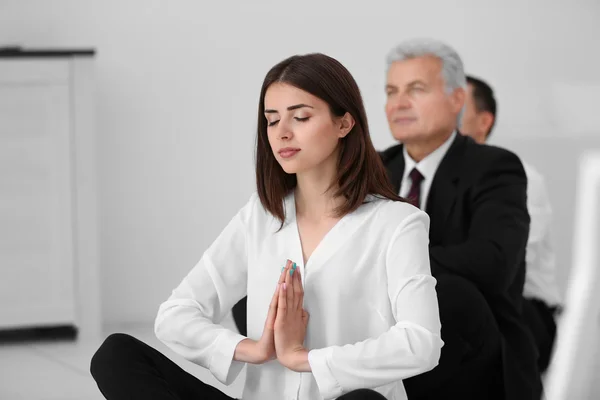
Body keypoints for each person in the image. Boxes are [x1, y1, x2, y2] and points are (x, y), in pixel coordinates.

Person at [90, 53, 443, 400]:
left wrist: (305, 359)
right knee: (117, 355)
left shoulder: (397, 223)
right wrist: (254, 349)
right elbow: (174, 315)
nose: (282, 133)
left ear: (344, 123)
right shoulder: (261, 216)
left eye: (300, 117)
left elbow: (421, 343)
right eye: (272, 121)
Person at [379, 38, 542, 399]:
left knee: (450, 294)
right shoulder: (372, 170)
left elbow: (493, 263)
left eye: (415, 89)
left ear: (457, 99)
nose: (399, 104)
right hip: (385, 343)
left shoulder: (495, 167)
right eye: (391, 92)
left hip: (474, 352)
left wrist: (393, 263)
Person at [460, 74, 562, 373]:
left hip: (521, 313)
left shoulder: (518, 177)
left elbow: (502, 271)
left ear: (484, 122)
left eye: (458, 108)